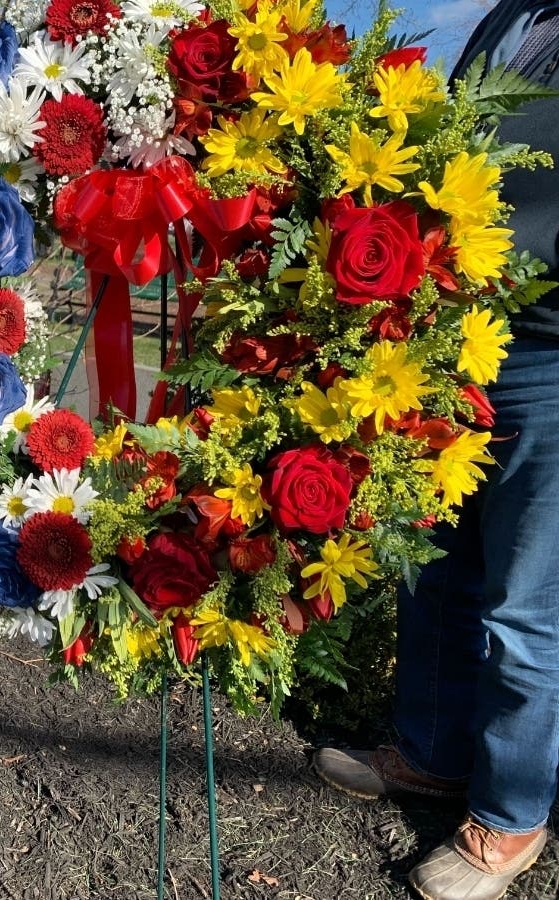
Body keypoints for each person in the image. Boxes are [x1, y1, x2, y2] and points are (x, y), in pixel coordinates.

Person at [312, 2, 559, 898]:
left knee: (526, 605)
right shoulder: (508, 19)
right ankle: (431, 751)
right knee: (433, 563)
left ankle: (511, 813)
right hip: (463, 333)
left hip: (551, 349)